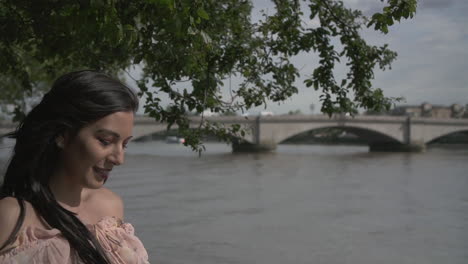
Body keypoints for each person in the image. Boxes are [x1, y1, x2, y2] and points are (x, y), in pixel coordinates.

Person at [0, 70, 150, 264]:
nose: (119, 158)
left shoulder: (111, 207)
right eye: (105, 141)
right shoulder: (11, 216)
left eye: (124, 144)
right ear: (62, 135)